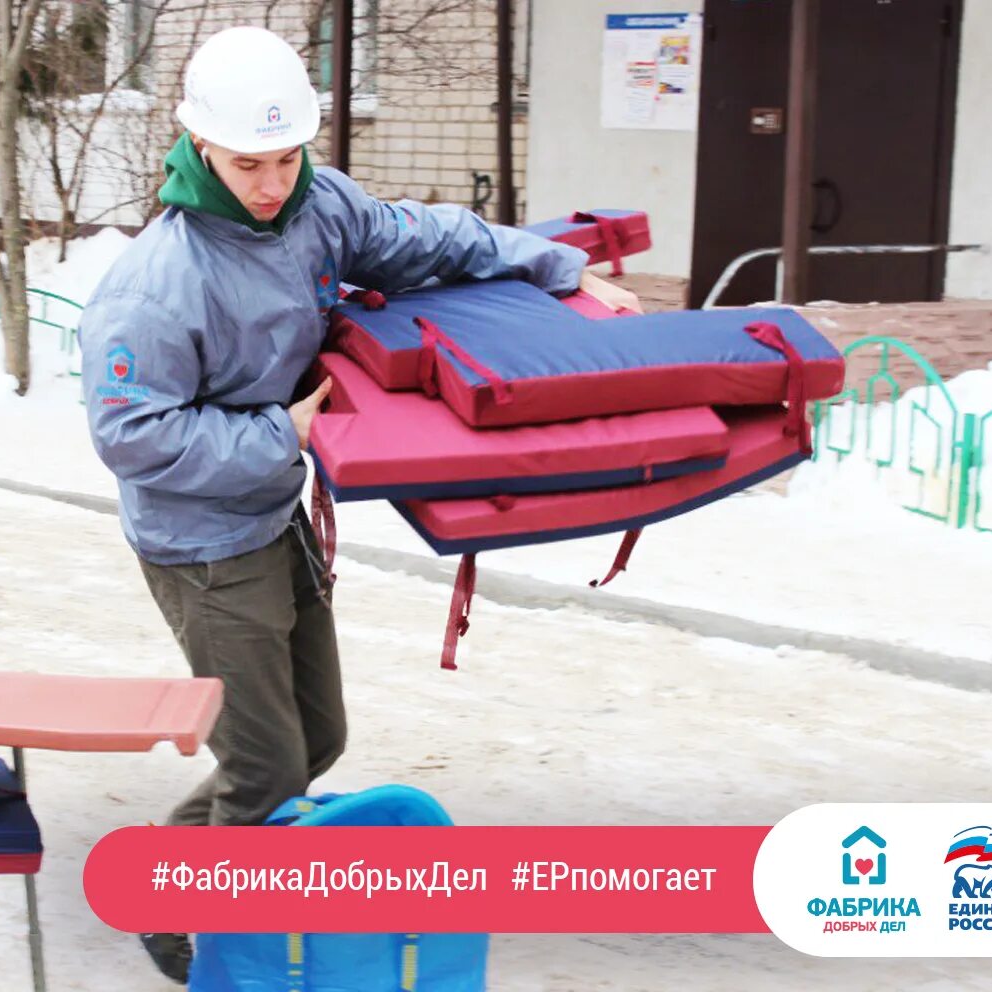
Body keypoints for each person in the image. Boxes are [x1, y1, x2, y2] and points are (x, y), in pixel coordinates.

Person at [77, 25, 639, 984]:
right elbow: (130, 435)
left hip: (271, 517)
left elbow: (422, 238)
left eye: (286, 157)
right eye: (248, 163)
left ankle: (169, 871)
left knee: (317, 739)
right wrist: (279, 438)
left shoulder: (315, 207)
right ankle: (192, 937)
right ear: (200, 146)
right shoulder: (156, 283)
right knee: (266, 771)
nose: (270, 182)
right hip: (201, 544)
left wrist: (554, 266)